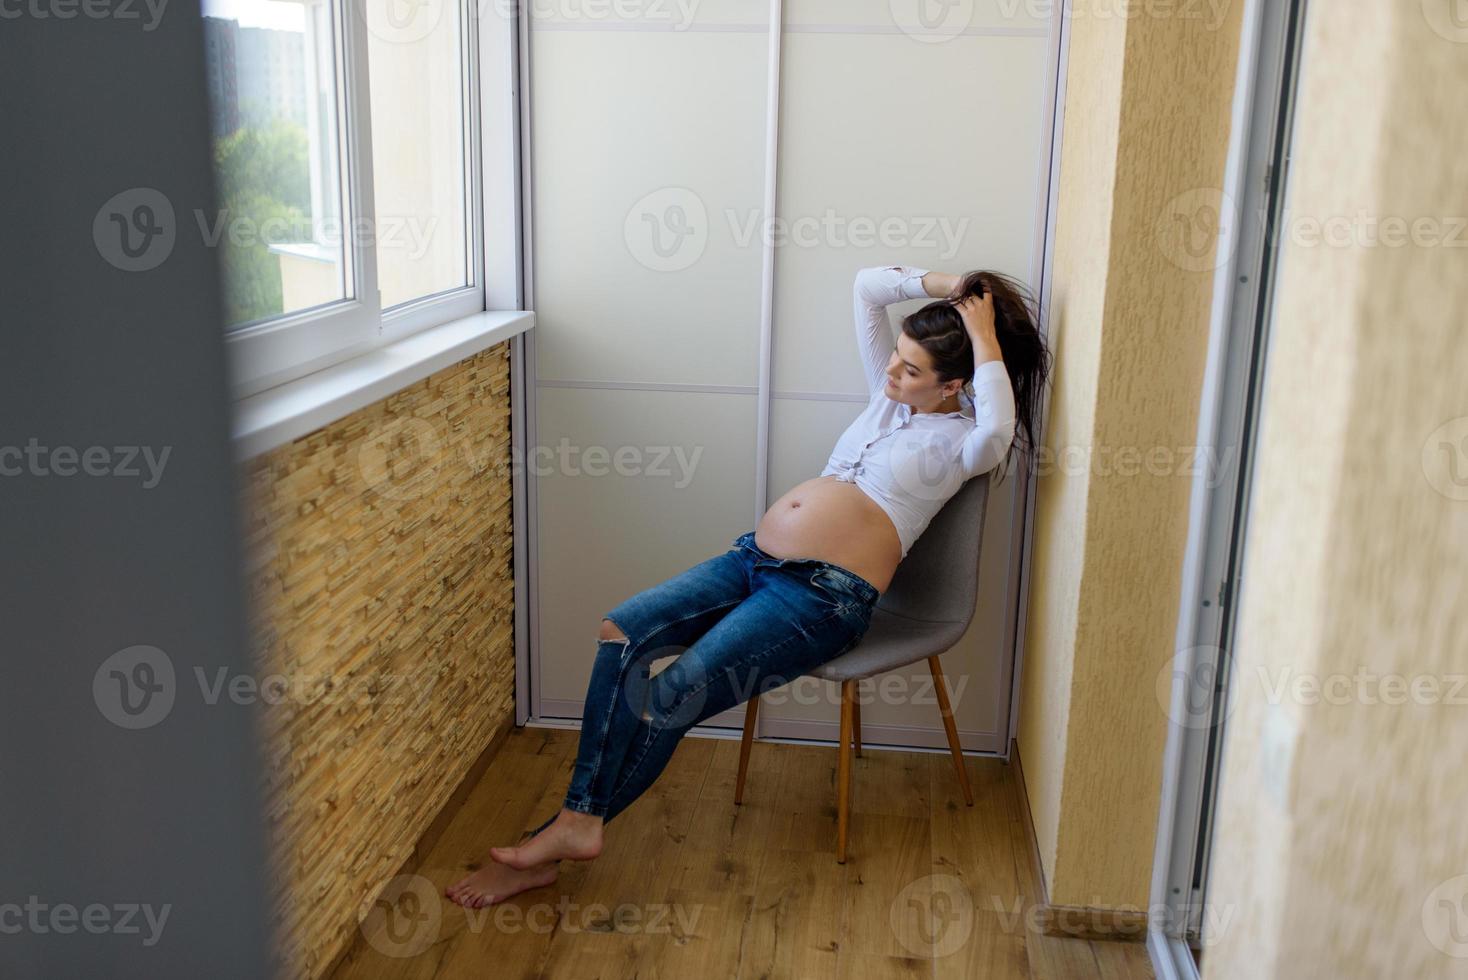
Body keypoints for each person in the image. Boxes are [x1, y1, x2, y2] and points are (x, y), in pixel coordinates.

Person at [447, 264, 1051, 908]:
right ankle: (578, 821)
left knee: (671, 695)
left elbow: (996, 427)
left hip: (822, 598)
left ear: (955, 383)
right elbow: (866, 288)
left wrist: (983, 335)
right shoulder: (888, 400)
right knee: (620, 631)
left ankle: (564, 831)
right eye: (895, 360)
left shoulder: (965, 441)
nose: (890, 375)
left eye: (909, 370)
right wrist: (951, 286)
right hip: (752, 562)